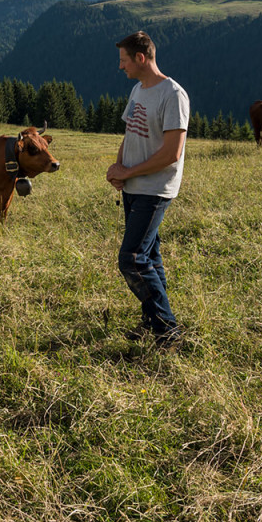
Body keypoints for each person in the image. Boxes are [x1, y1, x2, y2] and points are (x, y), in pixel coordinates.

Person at [105, 31, 190, 348]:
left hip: (155, 189)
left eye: (123, 60)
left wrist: (129, 171)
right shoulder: (139, 90)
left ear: (140, 58)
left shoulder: (173, 95)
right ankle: (152, 321)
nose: (120, 66)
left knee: (132, 259)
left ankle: (168, 332)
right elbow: (130, 133)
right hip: (133, 185)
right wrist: (118, 169)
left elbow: (172, 153)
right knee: (150, 257)